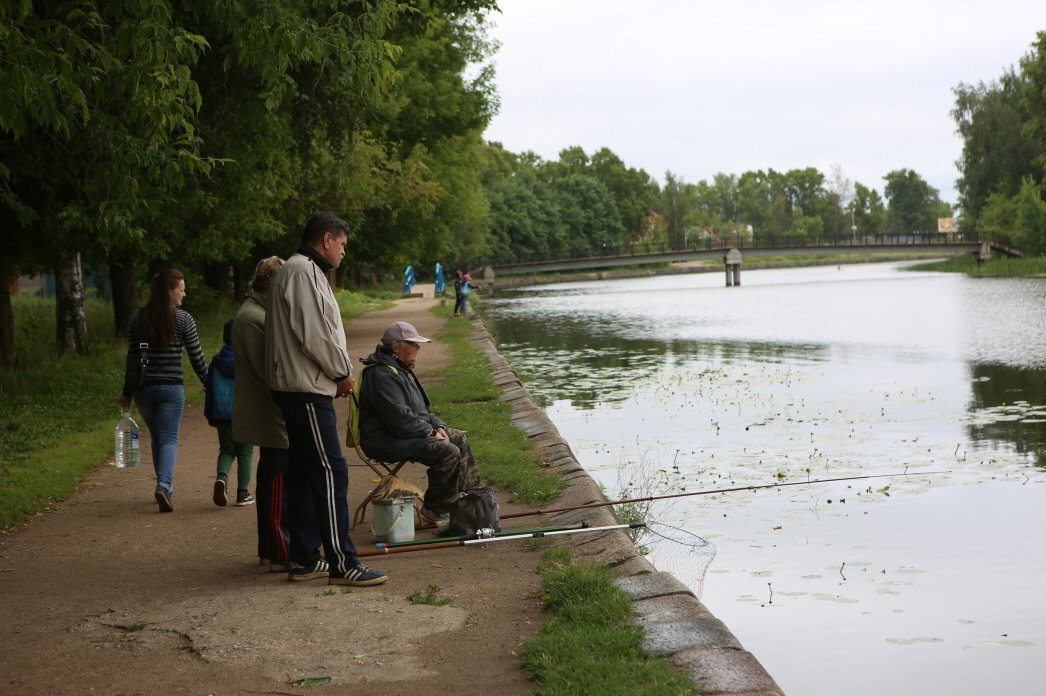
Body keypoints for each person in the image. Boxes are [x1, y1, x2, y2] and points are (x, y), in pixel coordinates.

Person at [265, 212, 387, 587]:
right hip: (305, 390)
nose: (344, 253)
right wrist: (342, 372)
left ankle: (304, 556)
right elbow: (315, 335)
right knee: (332, 472)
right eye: (343, 245)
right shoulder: (302, 272)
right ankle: (342, 561)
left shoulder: (304, 270)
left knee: (304, 473)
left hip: (300, 386)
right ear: (327, 240)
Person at [357, 321, 482, 521]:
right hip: (385, 440)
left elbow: (422, 410)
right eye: (413, 344)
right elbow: (399, 419)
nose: (418, 348)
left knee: (458, 438)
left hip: (404, 434)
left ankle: (472, 500)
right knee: (449, 452)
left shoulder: (400, 368)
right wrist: (429, 432)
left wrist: (438, 426)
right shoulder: (381, 375)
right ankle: (435, 509)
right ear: (396, 347)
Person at [231, 256, 300, 572]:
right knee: (276, 479)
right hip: (269, 409)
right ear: (270, 283)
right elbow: (269, 370)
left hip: (272, 407)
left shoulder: (260, 312)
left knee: (278, 477)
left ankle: (274, 548)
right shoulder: (252, 318)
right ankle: (277, 549)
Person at [118, 268, 207, 513]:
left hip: (144, 391)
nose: (184, 294)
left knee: (158, 437)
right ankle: (164, 485)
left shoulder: (137, 318)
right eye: (181, 289)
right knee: (168, 438)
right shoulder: (184, 319)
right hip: (171, 389)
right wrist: (210, 382)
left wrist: (127, 392)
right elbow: (197, 358)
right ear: (169, 290)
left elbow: (133, 359)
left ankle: (164, 487)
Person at [204, 319, 254, 507]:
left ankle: (222, 478)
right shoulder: (248, 362)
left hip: (222, 414)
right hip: (245, 415)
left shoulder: (216, 363)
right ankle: (243, 494)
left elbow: (209, 392)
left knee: (226, 449)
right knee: (245, 453)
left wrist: (210, 415)